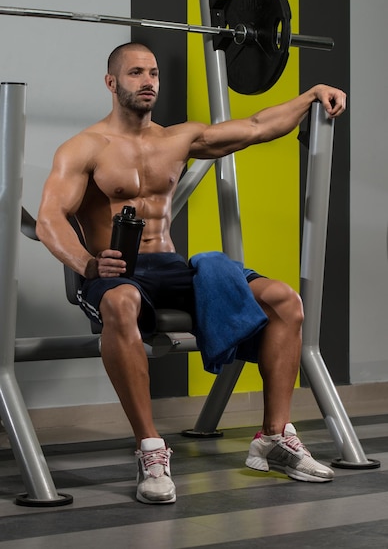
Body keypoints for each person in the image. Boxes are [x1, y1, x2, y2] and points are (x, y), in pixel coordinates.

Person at [36, 42, 346, 505]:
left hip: (170, 267)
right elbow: (49, 219)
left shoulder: (178, 138)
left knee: (284, 300)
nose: (148, 82)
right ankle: (150, 449)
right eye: (136, 72)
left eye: (154, 73)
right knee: (120, 301)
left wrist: (309, 96)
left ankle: (273, 437)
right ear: (111, 82)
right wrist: (87, 264)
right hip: (115, 270)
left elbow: (259, 128)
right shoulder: (84, 147)